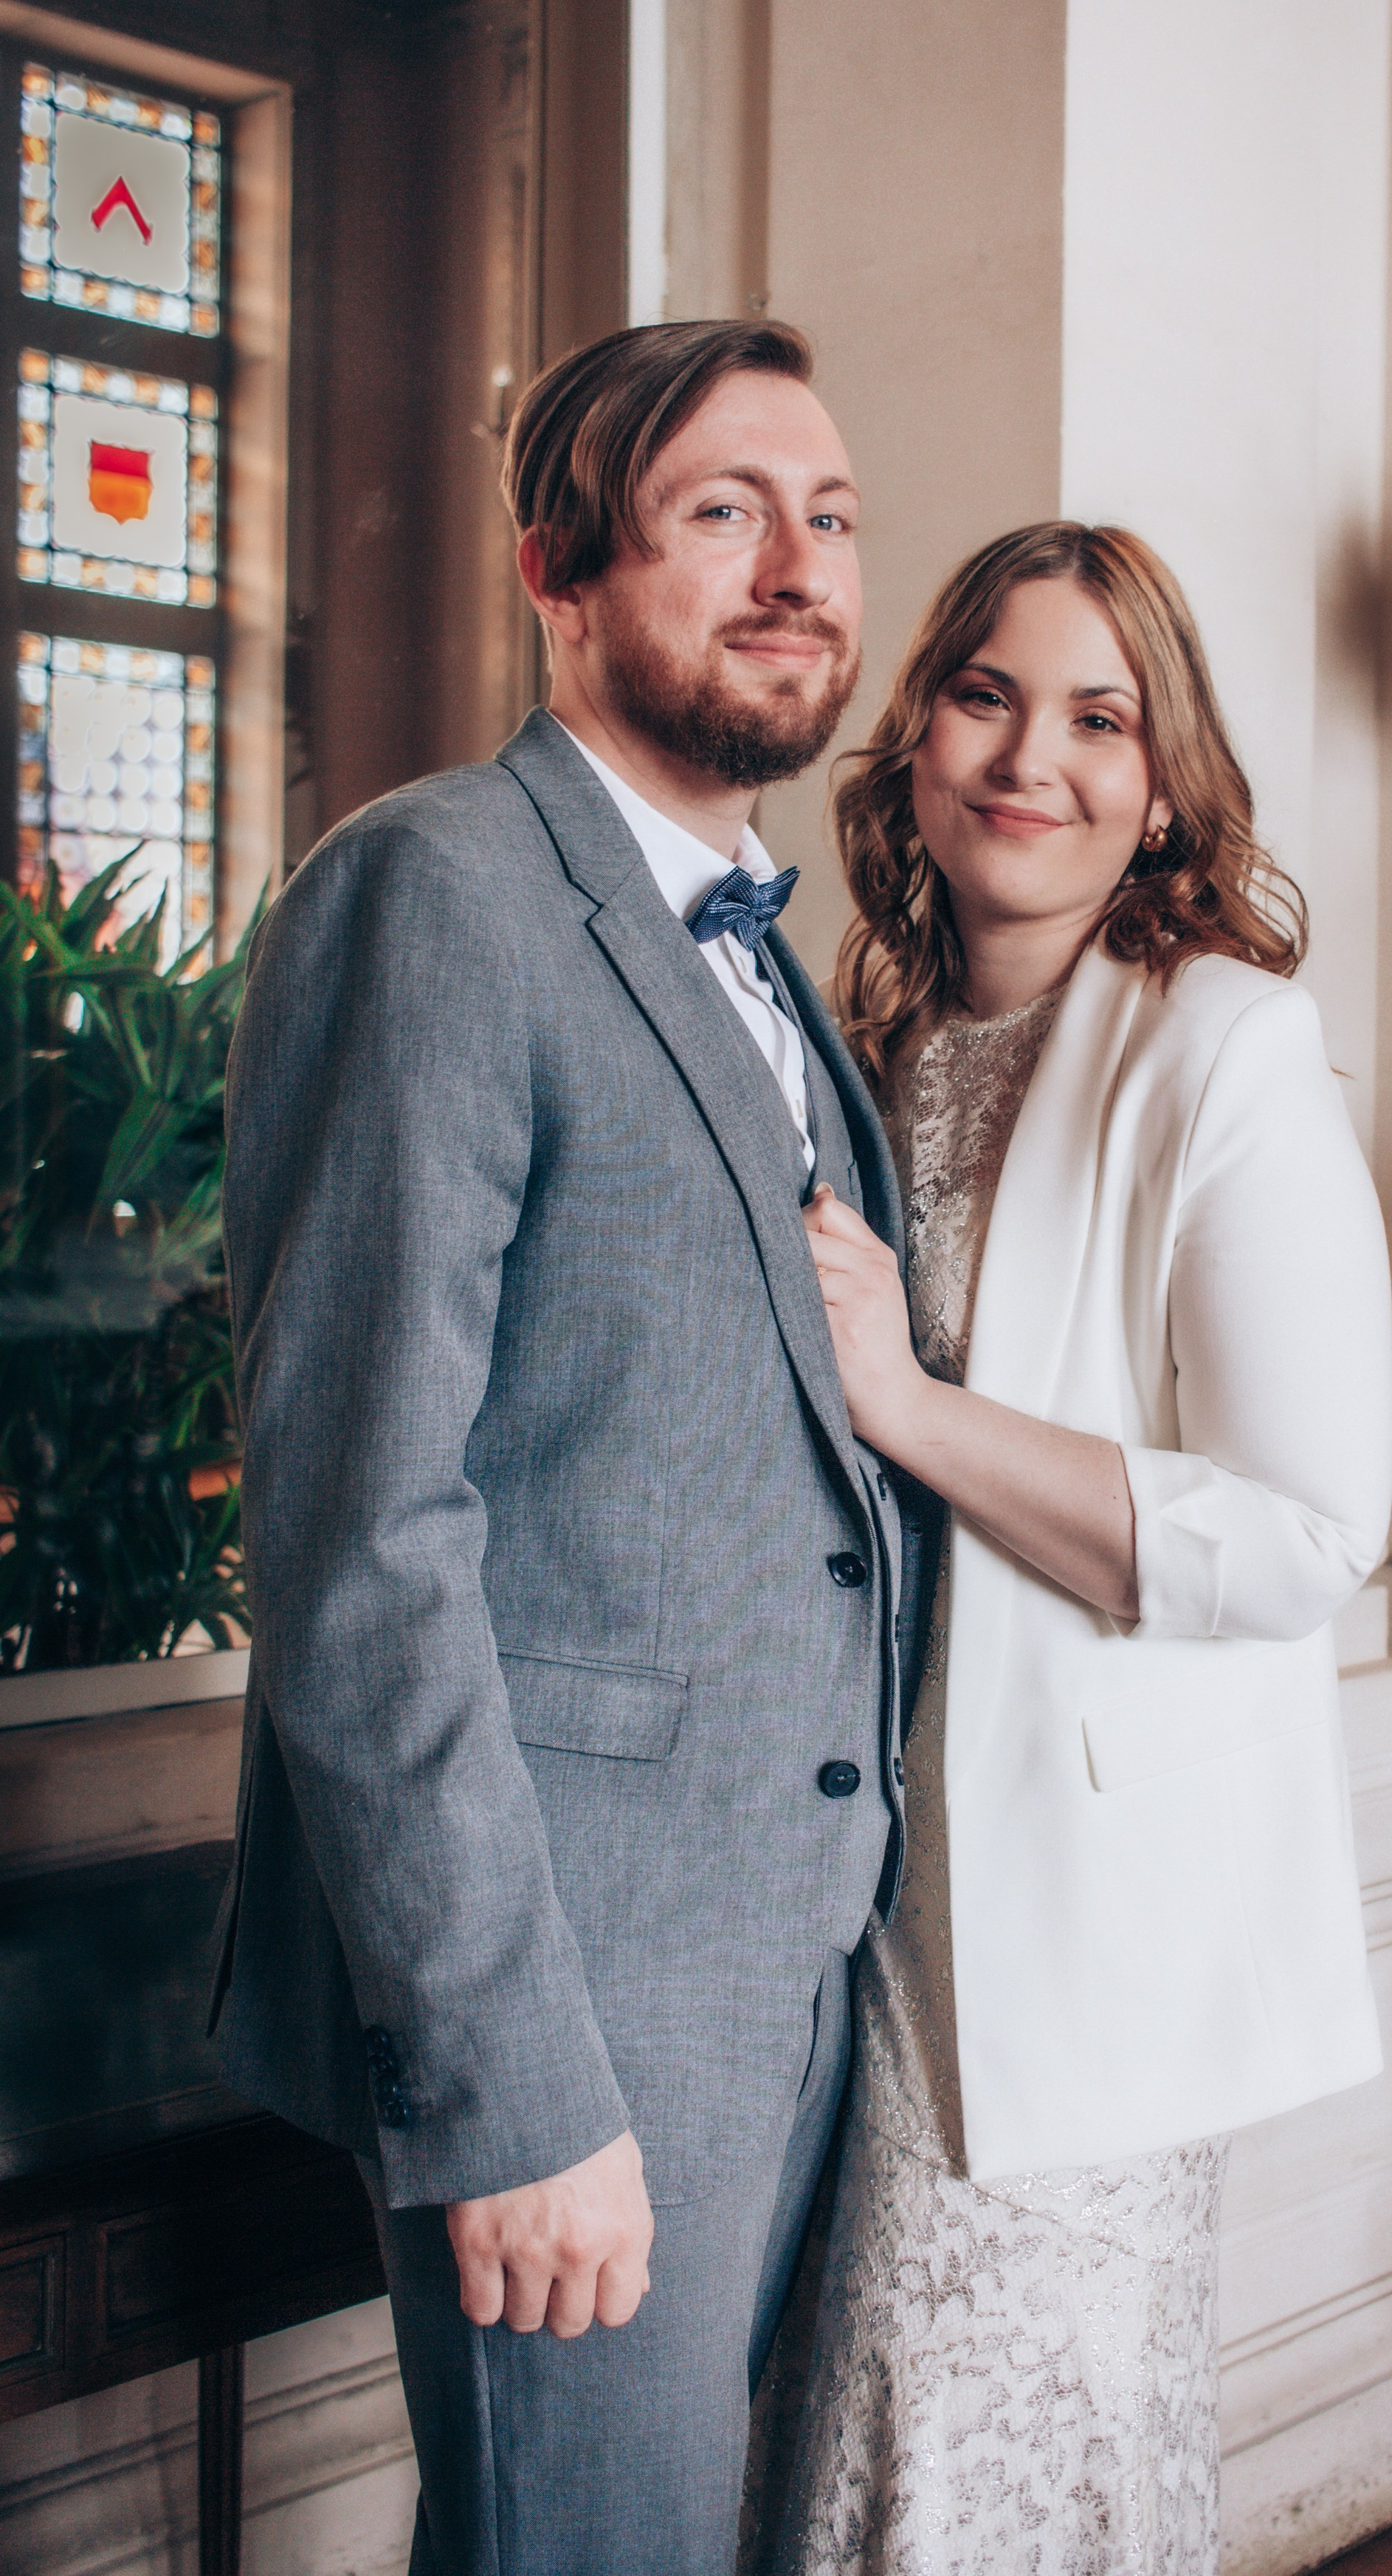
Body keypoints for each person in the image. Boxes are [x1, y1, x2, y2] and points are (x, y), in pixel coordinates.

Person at [208, 317, 933, 2576]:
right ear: (561, 566)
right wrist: (510, 2075)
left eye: (827, 519)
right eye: (723, 513)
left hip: (785, 1954)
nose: (796, 567)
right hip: (572, 1998)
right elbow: (358, 1540)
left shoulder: (763, 957)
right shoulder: (434, 889)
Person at [749, 523, 1392, 2573]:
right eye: (987, 694)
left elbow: (1308, 1534)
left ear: (1163, 778)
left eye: (1099, 715)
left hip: (1071, 1923)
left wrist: (912, 1406)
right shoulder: (871, 1054)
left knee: (990, 2440)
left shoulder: (1227, 1050)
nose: (1034, 755)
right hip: (851, 1891)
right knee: (852, 2421)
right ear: (916, 741)